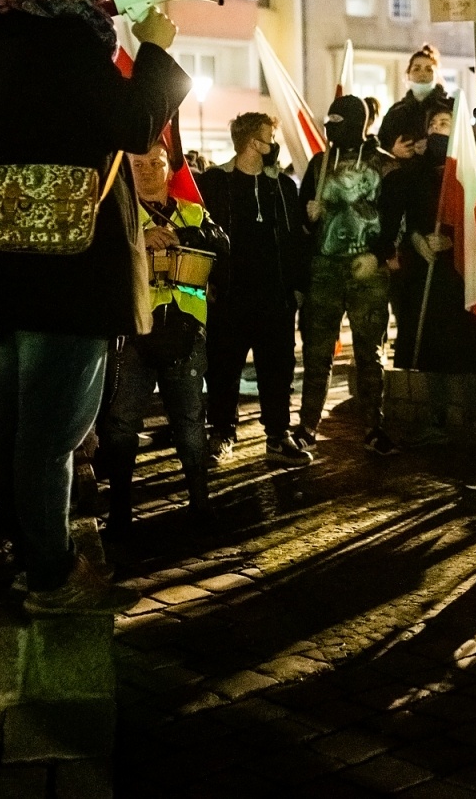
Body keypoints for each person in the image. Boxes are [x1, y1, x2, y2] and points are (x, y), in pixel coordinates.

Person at [0, 0, 188, 614]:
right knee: (54, 435)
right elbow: (130, 127)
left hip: (14, 261)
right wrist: (155, 53)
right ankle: (54, 578)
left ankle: (32, 560)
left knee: (25, 425)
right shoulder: (60, 36)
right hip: (71, 263)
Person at [99, 143, 230, 534]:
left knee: (191, 423)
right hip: (135, 334)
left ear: (169, 167)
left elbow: (222, 246)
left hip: (186, 331)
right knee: (122, 425)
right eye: (138, 165)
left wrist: (183, 234)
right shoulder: (119, 214)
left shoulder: (191, 209)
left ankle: (200, 505)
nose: (147, 171)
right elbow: (104, 259)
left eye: (155, 163)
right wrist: (142, 238)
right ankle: (120, 512)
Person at [200, 113, 309, 467]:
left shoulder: (282, 187)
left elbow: (294, 240)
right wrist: (209, 280)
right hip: (230, 296)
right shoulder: (216, 183)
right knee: (222, 368)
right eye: (269, 136)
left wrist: (296, 289)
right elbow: (202, 235)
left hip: (274, 297)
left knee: (277, 369)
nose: (273, 143)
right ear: (252, 143)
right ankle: (221, 433)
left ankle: (278, 436)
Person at [297, 95, 397, 456]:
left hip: (367, 270)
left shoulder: (385, 166)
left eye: (339, 120)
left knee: (370, 352)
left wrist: (379, 254)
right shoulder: (320, 163)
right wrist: (308, 218)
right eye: (329, 120)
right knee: (317, 350)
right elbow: (301, 220)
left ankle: (374, 426)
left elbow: (394, 217)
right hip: (324, 268)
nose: (330, 128)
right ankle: (308, 425)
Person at [375, 101, 476, 373]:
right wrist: (414, 238)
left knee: (456, 350)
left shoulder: (470, 174)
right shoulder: (413, 173)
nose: (436, 129)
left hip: (456, 275)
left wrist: (452, 240)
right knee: (421, 346)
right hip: (421, 271)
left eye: (444, 124)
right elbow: (400, 218)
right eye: (432, 125)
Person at [378, 45, 452, 159]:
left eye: (428, 69)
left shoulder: (449, 107)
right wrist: (393, 151)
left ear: (436, 75)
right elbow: (380, 147)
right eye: (417, 69)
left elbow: (462, 143)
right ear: (408, 74)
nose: (422, 74)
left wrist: (436, 145)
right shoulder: (396, 111)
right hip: (404, 174)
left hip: (440, 174)